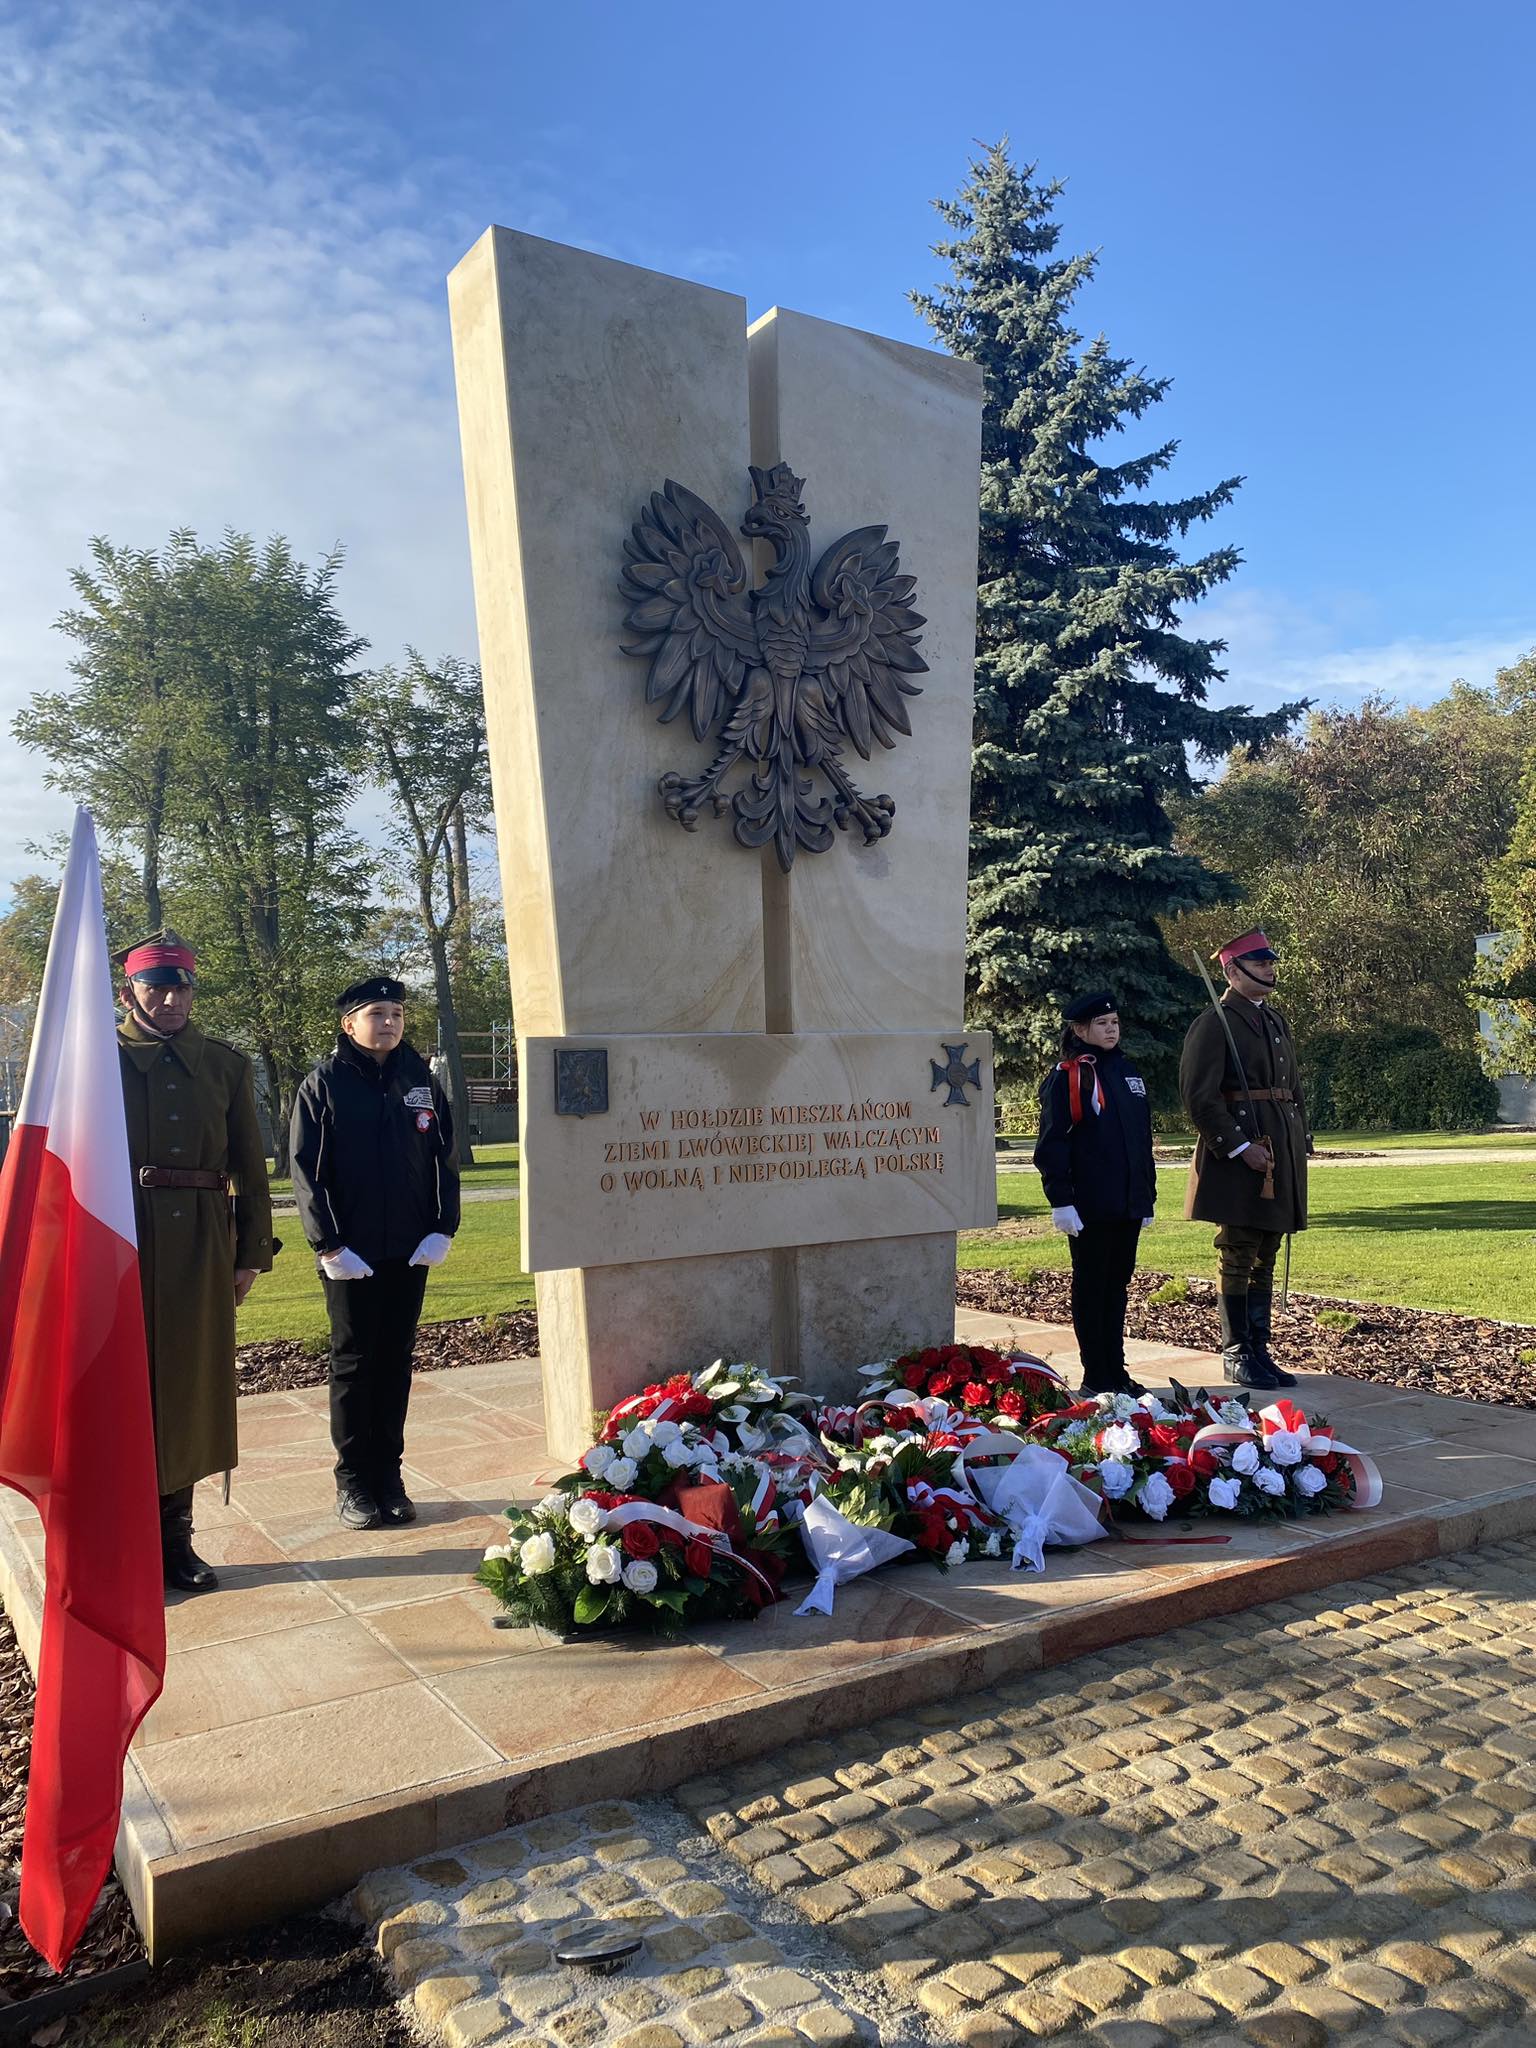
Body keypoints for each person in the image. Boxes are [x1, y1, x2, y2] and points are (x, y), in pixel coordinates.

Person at [116, 930, 275, 1594]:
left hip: (200, 1248)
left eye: (183, 986)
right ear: (131, 991)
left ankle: (174, 1542)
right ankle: (119, 1541)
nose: (173, 998)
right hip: (120, 1243)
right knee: (119, 1388)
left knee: (186, 1391)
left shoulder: (224, 1066)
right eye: (159, 986)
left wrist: (250, 1254)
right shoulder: (94, 1060)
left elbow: (249, 1167)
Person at [289, 977, 460, 1531]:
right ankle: (354, 1482)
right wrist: (329, 1244)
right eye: (376, 1013)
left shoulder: (420, 1082)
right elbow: (306, 1173)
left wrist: (443, 1228)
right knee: (355, 1364)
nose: (388, 1022)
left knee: (395, 1363)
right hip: (350, 1253)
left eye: (396, 1013)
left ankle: (389, 1477)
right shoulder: (324, 1085)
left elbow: (446, 1161)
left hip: (408, 1251)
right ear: (349, 1024)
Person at [1179, 930, 1309, 1389]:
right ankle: (1235, 1352)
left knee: (1266, 1250)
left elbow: (1291, 1088)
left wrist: (1299, 1141)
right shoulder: (1215, 1021)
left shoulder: (1273, 1021)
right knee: (1238, 1251)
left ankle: (1258, 1347)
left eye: (1271, 961)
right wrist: (1238, 1146)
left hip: (1277, 1149)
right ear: (1233, 971)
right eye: (1261, 962)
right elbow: (1200, 1096)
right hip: (1238, 1152)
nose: (1271, 968)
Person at [1033, 991, 1157, 1397]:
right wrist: (1061, 1199)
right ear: (1080, 1029)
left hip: (1126, 1202)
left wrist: (1145, 1197)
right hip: (1090, 1204)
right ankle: (1096, 1375)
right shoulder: (1071, 1074)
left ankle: (1116, 1372)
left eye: (1115, 1023)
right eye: (1102, 1024)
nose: (1111, 1029)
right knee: (1092, 1289)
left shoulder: (1126, 1071)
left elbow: (1140, 1141)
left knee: (1116, 1288)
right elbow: (1053, 1143)